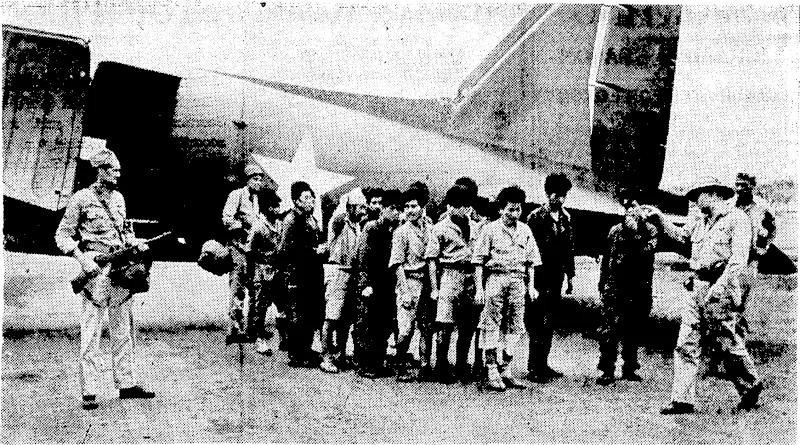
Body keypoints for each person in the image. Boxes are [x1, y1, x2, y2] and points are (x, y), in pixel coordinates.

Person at [647, 177, 763, 414]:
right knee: (686, 343)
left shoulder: (737, 219)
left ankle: (750, 384)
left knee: (725, 343)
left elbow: (738, 261)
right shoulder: (700, 220)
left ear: (712, 193)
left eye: (697, 195)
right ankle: (682, 400)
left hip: (719, 289)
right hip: (697, 286)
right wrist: (659, 216)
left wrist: (718, 290)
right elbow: (680, 236)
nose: (694, 201)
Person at [55, 149, 155, 410]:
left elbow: (124, 233)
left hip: (120, 272)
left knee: (123, 331)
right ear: (100, 170)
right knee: (91, 334)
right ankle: (89, 391)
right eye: (113, 170)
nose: (117, 174)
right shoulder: (82, 198)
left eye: (118, 170)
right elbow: (62, 235)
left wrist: (136, 243)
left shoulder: (119, 198)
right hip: (97, 273)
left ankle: (126, 384)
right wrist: (82, 258)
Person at [473, 186, 542, 391]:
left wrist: (531, 287)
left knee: (515, 327)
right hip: (496, 279)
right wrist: (479, 289)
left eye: (518, 209)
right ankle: (492, 371)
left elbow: (531, 262)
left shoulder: (525, 230)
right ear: (501, 209)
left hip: (517, 282)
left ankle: (506, 370)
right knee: (491, 325)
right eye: (510, 209)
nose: (514, 214)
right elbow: (478, 261)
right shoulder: (489, 229)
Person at [596, 204, 658, 385]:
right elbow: (607, 257)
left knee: (634, 327)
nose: (631, 212)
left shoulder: (651, 232)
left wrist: (636, 232)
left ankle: (630, 367)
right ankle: (607, 369)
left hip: (639, 286)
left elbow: (647, 251)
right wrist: (602, 282)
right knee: (609, 328)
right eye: (628, 209)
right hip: (615, 285)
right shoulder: (615, 231)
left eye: (635, 210)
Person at [526, 172, 575, 382]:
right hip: (539, 275)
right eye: (555, 194)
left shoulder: (566, 218)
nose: (559, 198)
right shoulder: (535, 218)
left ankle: (543, 363)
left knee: (550, 320)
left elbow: (568, 250)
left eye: (563, 195)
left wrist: (570, 276)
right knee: (537, 321)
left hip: (556, 276)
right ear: (548, 194)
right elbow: (529, 249)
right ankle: (534, 366)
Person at [426, 185, 476, 384]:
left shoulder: (475, 226)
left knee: (468, 324)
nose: (460, 210)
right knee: (445, 324)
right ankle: (441, 365)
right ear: (449, 206)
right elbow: (431, 259)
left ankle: (462, 364)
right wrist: (435, 288)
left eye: (464, 206)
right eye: (455, 205)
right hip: (450, 276)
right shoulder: (439, 228)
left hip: (471, 277)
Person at [352, 189, 403, 378]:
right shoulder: (371, 228)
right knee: (366, 324)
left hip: (387, 286)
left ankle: (378, 362)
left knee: (383, 325)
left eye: (399, 209)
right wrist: (365, 284)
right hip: (371, 285)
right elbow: (363, 258)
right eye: (393, 208)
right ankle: (364, 364)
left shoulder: (395, 231)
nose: (396, 212)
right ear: (384, 209)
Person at [277, 181, 327, 368]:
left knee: (311, 312)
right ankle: (297, 354)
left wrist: (320, 249)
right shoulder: (290, 220)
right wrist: (314, 251)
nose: (311, 201)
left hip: (313, 273)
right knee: (298, 314)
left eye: (312, 197)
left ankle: (305, 350)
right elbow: (284, 250)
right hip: (298, 274)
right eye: (306, 198)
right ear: (296, 201)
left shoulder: (311, 219)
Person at [389, 187, 436, 382]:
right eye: (406, 206)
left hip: (427, 283)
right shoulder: (401, 232)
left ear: (422, 207)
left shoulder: (431, 228)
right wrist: (405, 291)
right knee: (405, 328)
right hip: (409, 281)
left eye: (414, 206)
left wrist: (434, 288)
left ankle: (424, 364)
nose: (410, 210)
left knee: (426, 327)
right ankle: (400, 364)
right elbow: (397, 264)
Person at [320, 189, 367, 373]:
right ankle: (326, 357)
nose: (364, 211)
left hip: (350, 272)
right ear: (350, 207)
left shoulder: (357, 225)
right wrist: (349, 198)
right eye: (360, 207)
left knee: (345, 318)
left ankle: (339, 354)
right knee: (331, 318)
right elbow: (339, 215)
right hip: (337, 270)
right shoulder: (340, 221)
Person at [221, 163, 269, 344]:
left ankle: (250, 328)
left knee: (254, 288)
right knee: (237, 288)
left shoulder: (257, 199)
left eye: (260, 179)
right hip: (238, 248)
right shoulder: (237, 195)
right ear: (247, 180)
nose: (258, 182)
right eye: (255, 179)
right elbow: (226, 218)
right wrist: (242, 225)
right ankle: (235, 327)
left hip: (252, 249)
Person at [248, 188, 284, 355]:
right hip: (261, 271)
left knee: (283, 305)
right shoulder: (258, 227)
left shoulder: (280, 224)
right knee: (260, 308)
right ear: (268, 208)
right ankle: (259, 339)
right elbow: (250, 252)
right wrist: (251, 276)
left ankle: (285, 338)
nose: (278, 209)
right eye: (275, 206)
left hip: (277, 271)